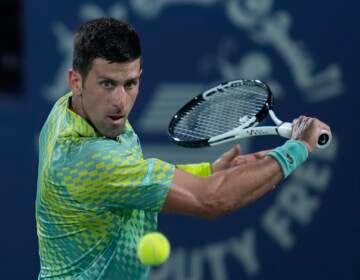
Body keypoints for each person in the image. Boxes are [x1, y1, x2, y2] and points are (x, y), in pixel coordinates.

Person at [36, 17, 331, 279]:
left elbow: (130, 180)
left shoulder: (68, 110)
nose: (120, 101)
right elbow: (212, 200)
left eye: (130, 84)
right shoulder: (90, 159)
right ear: (76, 81)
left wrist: (208, 170)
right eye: (107, 84)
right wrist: (298, 147)